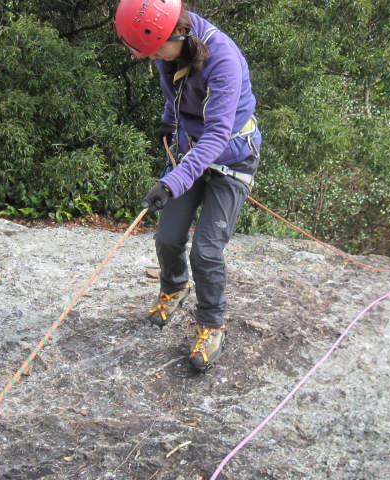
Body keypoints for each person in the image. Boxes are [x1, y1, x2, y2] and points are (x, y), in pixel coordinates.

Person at [115, 0, 261, 371]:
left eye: (152, 51)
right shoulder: (171, 49)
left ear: (179, 33)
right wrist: (169, 121)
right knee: (166, 238)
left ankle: (212, 324)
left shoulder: (222, 60)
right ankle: (175, 286)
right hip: (191, 154)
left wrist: (171, 182)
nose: (152, 59)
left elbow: (216, 136)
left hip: (231, 159)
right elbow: (176, 96)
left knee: (207, 250)